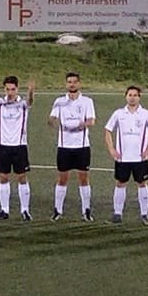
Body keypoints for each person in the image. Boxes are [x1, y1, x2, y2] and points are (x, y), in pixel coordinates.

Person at [103, 86, 148, 224]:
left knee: (142, 183)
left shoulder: (146, 114)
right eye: (130, 94)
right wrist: (111, 149)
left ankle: (144, 214)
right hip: (122, 158)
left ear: (139, 97)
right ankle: (117, 214)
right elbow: (107, 130)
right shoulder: (118, 113)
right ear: (126, 96)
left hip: (140, 158)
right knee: (120, 183)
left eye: (135, 95)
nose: (132, 97)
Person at [0, 73, 35, 222]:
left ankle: (25, 210)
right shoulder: (0, 103)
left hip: (19, 146)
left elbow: (30, 100)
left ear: (17, 89)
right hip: (3, 145)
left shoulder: (23, 104)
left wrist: (31, 91)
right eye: (7, 89)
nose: (10, 92)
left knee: (21, 177)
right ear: (4, 89)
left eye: (13, 89)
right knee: (3, 177)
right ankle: (4, 210)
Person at [48, 72, 96, 221]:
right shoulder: (59, 101)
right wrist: (56, 123)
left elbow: (92, 120)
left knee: (83, 178)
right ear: (66, 84)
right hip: (64, 146)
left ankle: (86, 210)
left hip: (82, 146)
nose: (72, 84)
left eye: (74, 82)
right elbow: (51, 119)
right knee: (62, 178)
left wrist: (84, 124)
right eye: (69, 82)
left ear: (79, 83)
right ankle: (58, 210)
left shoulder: (87, 101)